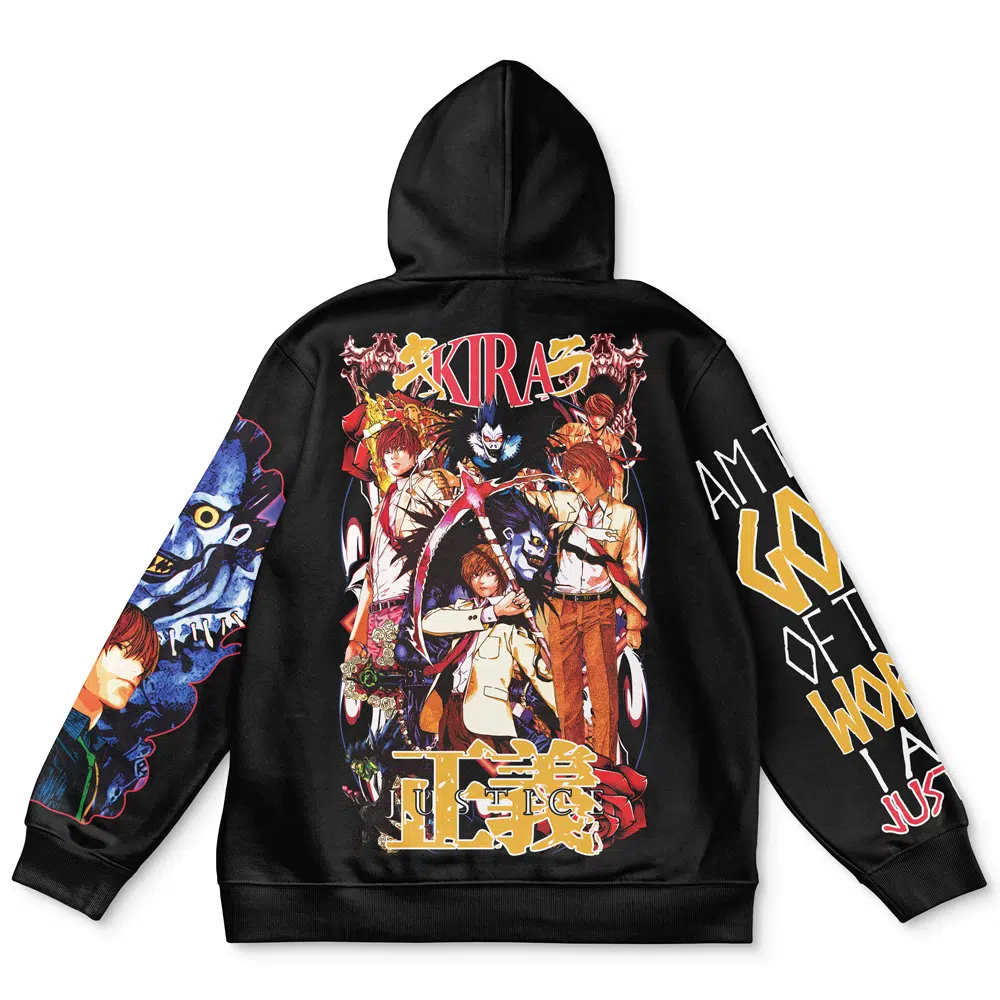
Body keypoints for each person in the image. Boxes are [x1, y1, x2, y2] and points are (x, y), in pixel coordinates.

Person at [519, 441, 645, 759]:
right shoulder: (563, 502)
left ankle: (604, 765)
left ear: (593, 468)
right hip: (561, 606)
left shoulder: (624, 515)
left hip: (600, 605)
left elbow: (630, 572)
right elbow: (529, 498)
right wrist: (522, 480)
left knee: (603, 691)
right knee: (566, 692)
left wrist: (633, 620)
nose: (569, 476)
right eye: (567, 470)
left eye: (575, 469)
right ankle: (575, 761)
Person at [418, 545, 558, 751]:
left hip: (487, 716)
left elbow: (538, 674)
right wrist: (491, 613)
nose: (481, 581)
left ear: (501, 575)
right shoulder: (465, 609)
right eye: (475, 575)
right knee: (454, 768)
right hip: (451, 710)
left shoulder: (511, 625)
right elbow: (428, 623)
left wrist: (568, 714)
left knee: (497, 768)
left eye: (489, 573)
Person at [31, 604, 160, 821]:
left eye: (144, 663)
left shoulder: (89, 746)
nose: (138, 671)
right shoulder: (60, 747)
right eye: (123, 649)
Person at [346, 420, 448, 671]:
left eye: (401, 448)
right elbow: (371, 577)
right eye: (388, 450)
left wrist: (451, 483)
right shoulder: (381, 507)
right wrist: (356, 637)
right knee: (383, 690)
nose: (394, 456)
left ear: (415, 451)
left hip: (412, 609)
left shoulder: (429, 485)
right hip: (379, 614)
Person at [551, 392, 628, 499]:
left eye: (600, 416)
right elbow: (546, 446)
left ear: (607, 417)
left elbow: (617, 475)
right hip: (571, 488)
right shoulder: (571, 430)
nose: (596, 420)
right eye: (592, 415)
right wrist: (552, 467)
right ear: (587, 414)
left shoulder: (613, 441)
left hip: (597, 492)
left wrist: (617, 502)